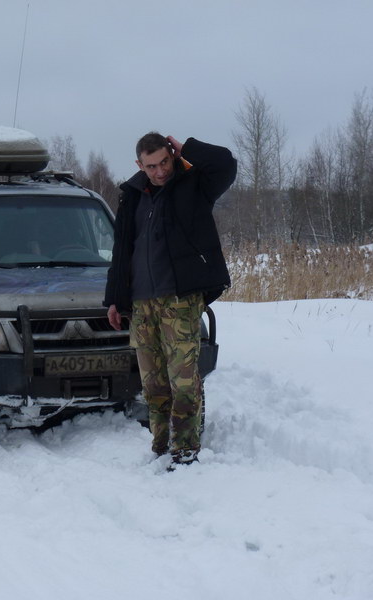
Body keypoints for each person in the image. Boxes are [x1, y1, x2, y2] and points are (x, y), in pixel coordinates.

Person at [104, 133, 236, 469]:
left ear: (172, 156)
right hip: (141, 304)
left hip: (180, 300)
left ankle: (185, 451)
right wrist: (115, 300)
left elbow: (225, 163)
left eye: (165, 161)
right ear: (140, 165)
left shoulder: (193, 185)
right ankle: (161, 448)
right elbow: (122, 251)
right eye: (151, 166)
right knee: (153, 385)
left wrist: (187, 148)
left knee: (184, 381)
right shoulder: (131, 196)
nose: (160, 171)